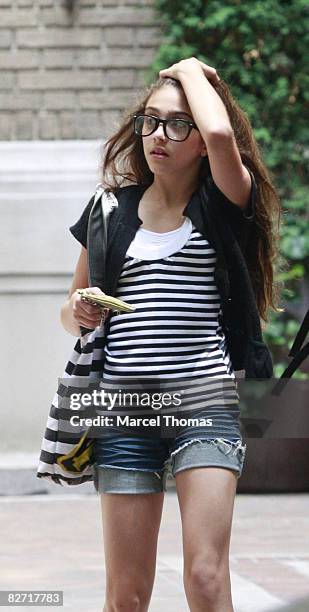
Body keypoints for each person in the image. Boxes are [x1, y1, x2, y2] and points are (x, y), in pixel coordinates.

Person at [60, 57, 281, 612]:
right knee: (127, 596)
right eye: (151, 120)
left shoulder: (225, 203)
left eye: (178, 124)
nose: (159, 134)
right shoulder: (109, 208)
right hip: (124, 405)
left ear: (200, 142)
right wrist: (79, 310)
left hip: (204, 401)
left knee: (205, 578)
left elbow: (221, 130)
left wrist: (188, 69)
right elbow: (71, 306)